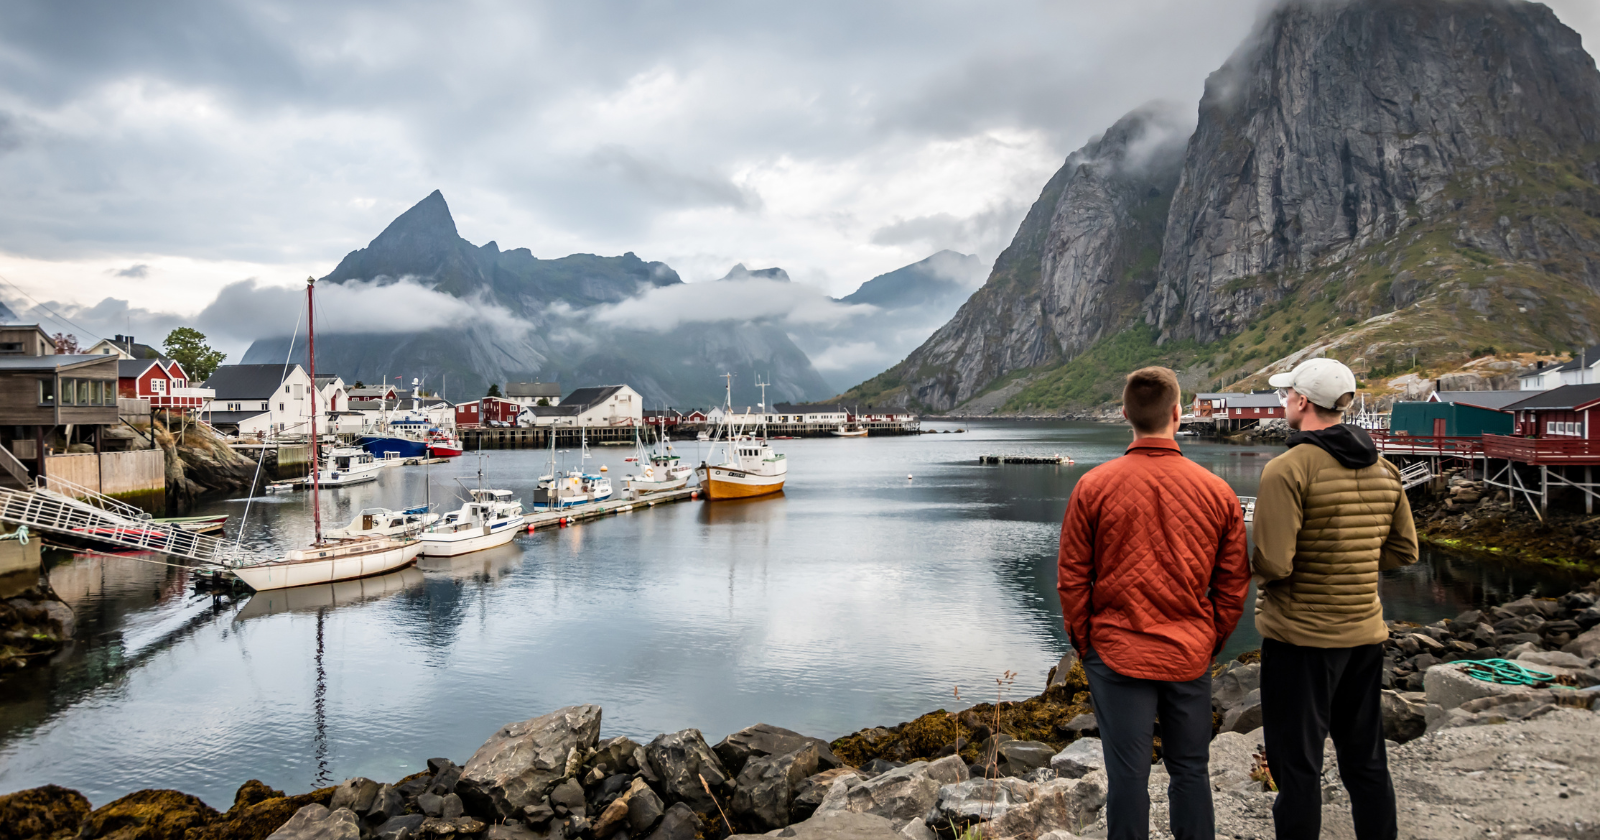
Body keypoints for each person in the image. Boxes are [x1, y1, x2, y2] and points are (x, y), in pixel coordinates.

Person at [1058, 366, 1250, 840]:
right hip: (1188, 650)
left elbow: (1072, 578)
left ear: (1126, 414)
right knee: (1190, 770)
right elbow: (1232, 583)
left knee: (1128, 776)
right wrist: (1211, 638)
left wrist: (1086, 645)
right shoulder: (1217, 491)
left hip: (1116, 652)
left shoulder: (1093, 486)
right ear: (1178, 414)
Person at [1254, 358, 1418, 840]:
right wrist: (1354, 563)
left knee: (1297, 766)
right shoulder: (1385, 469)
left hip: (1299, 640)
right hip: (1364, 636)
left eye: (1287, 395)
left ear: (1303, 402)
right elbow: (1404, 549)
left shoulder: (1287, 469)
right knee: (1365, 758)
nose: (1284, 402)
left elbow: (1276, 563)